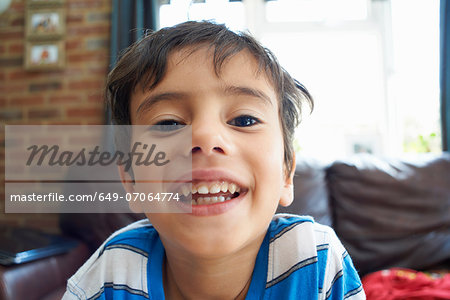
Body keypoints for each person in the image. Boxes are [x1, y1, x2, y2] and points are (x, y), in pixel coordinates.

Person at [62, 21, 365, 300]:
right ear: (130, 180)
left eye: (245, 119)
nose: (205, 138)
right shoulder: (109, 278)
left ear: (287, 172)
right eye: (168, 123)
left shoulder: (315, 261)